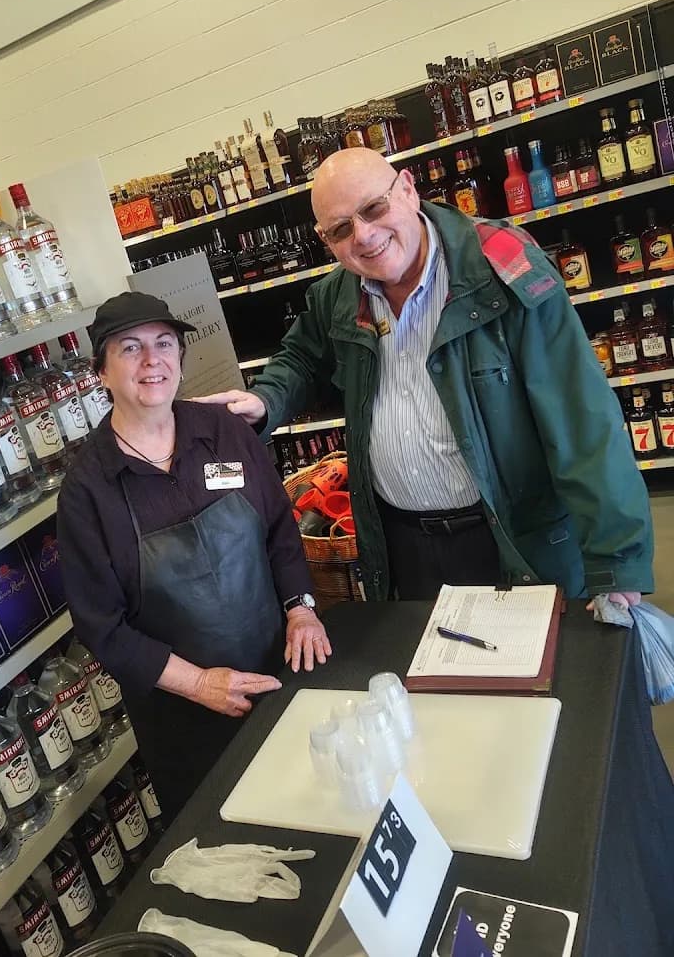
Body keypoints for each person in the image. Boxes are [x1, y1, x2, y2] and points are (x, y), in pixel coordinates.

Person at [198, 148, 653, 610]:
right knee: (431, 680)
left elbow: (582, 421)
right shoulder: (336, 295)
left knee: (532, 677)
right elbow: (300, 359)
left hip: (512, 542)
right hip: (404, 549)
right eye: (340, 229)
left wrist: (616, 563)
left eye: (374, 208)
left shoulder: (500, 268)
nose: (364, 235)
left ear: (409, 189)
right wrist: (265, 401)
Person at [57, 291, 331, 817]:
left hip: (279, 669)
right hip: (184, 717)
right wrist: (200, 683)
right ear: (101, 372)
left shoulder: (224, 431)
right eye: (130, 348)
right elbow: (102, 628)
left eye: (164, 343)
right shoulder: (89, 489)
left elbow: (278, 527)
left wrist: (301, 608)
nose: (152, 360)